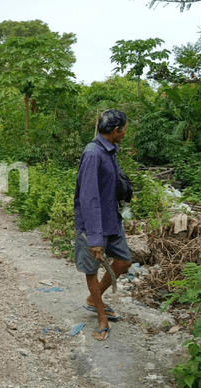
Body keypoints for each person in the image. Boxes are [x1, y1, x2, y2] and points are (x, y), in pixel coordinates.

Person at [74, 109, 132, 341]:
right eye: (125, 129)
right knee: (91, 270)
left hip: (111, 219)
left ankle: (93, 299)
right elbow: (88, 198)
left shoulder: (109, 151)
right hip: (93, 225)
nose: (126, 133)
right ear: (115, 131)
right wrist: (95, 238)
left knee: (124, 261)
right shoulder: (93, 154)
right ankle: (101, 317)